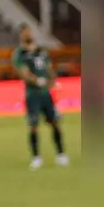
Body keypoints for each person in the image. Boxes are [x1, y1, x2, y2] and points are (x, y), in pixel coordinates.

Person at [11, 25, 69, 169]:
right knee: (34, 126)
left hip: (46, 94)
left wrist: (53, 82)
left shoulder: (41, 51)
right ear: (21, 35)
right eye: (25, 33)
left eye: (29, 32)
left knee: (55, 122)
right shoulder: (20, 54)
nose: (28, 34)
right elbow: (24, 73)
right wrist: (38, 81)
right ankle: (36, 157)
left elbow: (48, 68)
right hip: (33, 95)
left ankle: (61, 154)